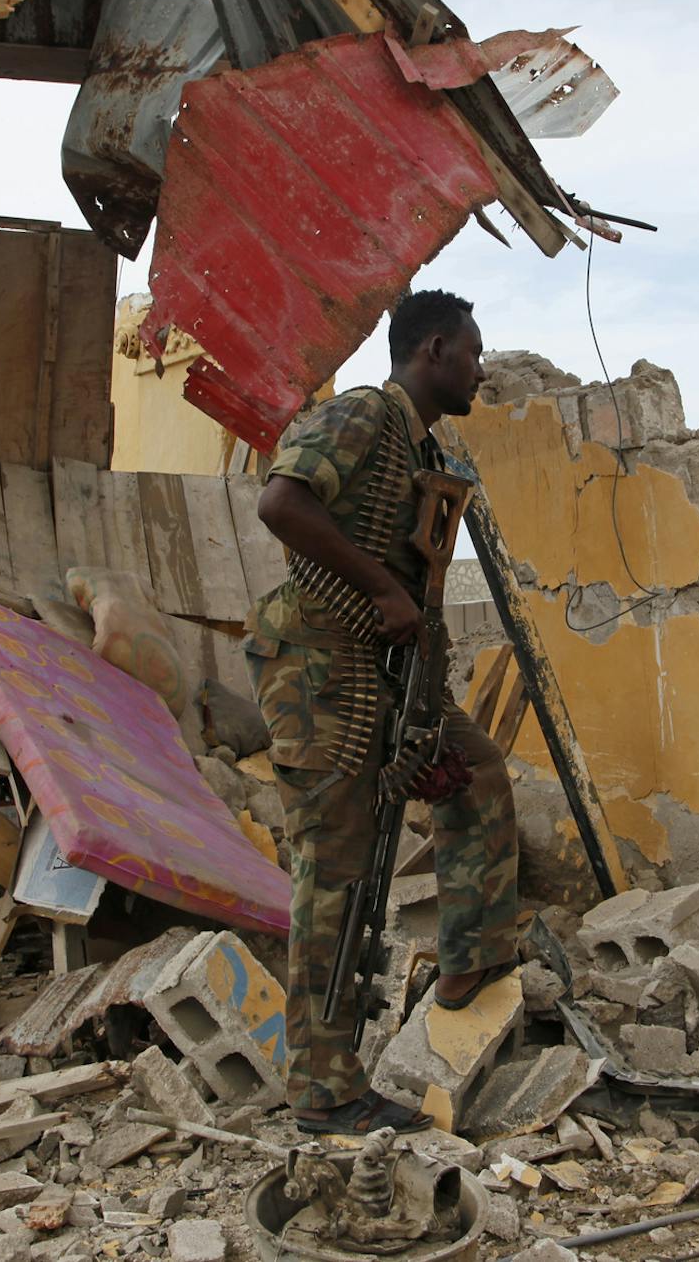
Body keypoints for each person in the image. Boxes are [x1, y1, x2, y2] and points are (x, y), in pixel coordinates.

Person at [246, 289, 521, 1136]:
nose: (482, 369)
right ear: (434, 349)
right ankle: (324, 1089)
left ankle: (472, 961)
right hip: (321, 678)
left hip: (382, 680)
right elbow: (282, 503)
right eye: (474, 353)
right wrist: (377, 587)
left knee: (474, 771)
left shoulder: (422, 443)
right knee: (337, 876)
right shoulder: (365, 413)